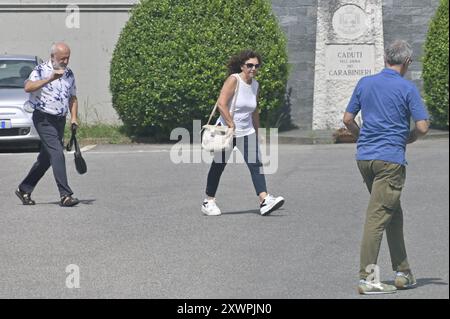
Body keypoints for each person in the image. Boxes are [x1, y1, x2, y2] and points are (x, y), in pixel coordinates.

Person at [343, 40, 429, 295]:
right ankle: (367, 278)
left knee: (392, 212)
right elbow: (423, 127)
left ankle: (403, 272)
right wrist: (409, 137)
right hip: (390, 160)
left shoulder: (365, 83)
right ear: (407, 62)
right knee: (377, 218)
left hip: (365, 159)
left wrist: (362, 137)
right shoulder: (407, 88)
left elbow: (347, 119)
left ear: (384, 59)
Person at [201, 50, 285, 216]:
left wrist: (258, 132)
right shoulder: (234, 80)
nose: (253, 68)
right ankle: (208, 201)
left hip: (247, 132)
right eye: (249, 65)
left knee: (256, 165)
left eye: (256, 65)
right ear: (242, 66)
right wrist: (232, 124)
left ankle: (264, 200)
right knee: (218, 166)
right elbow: (221, 104)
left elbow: (254, 111)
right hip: (227, 132)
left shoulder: (255, 85)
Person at [15, 42, 80, 207]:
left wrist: (73, 118)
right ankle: (65, 195)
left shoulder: (69, 74)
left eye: (68, 58)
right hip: (43, 118)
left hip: (59, 120)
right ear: (53, 57)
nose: (65, 61)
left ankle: (24, 188)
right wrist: (50, 78)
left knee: (46, 158)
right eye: (62, 58)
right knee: (57, 152)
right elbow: (28, 87)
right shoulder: (40, 70)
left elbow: (72, 97)